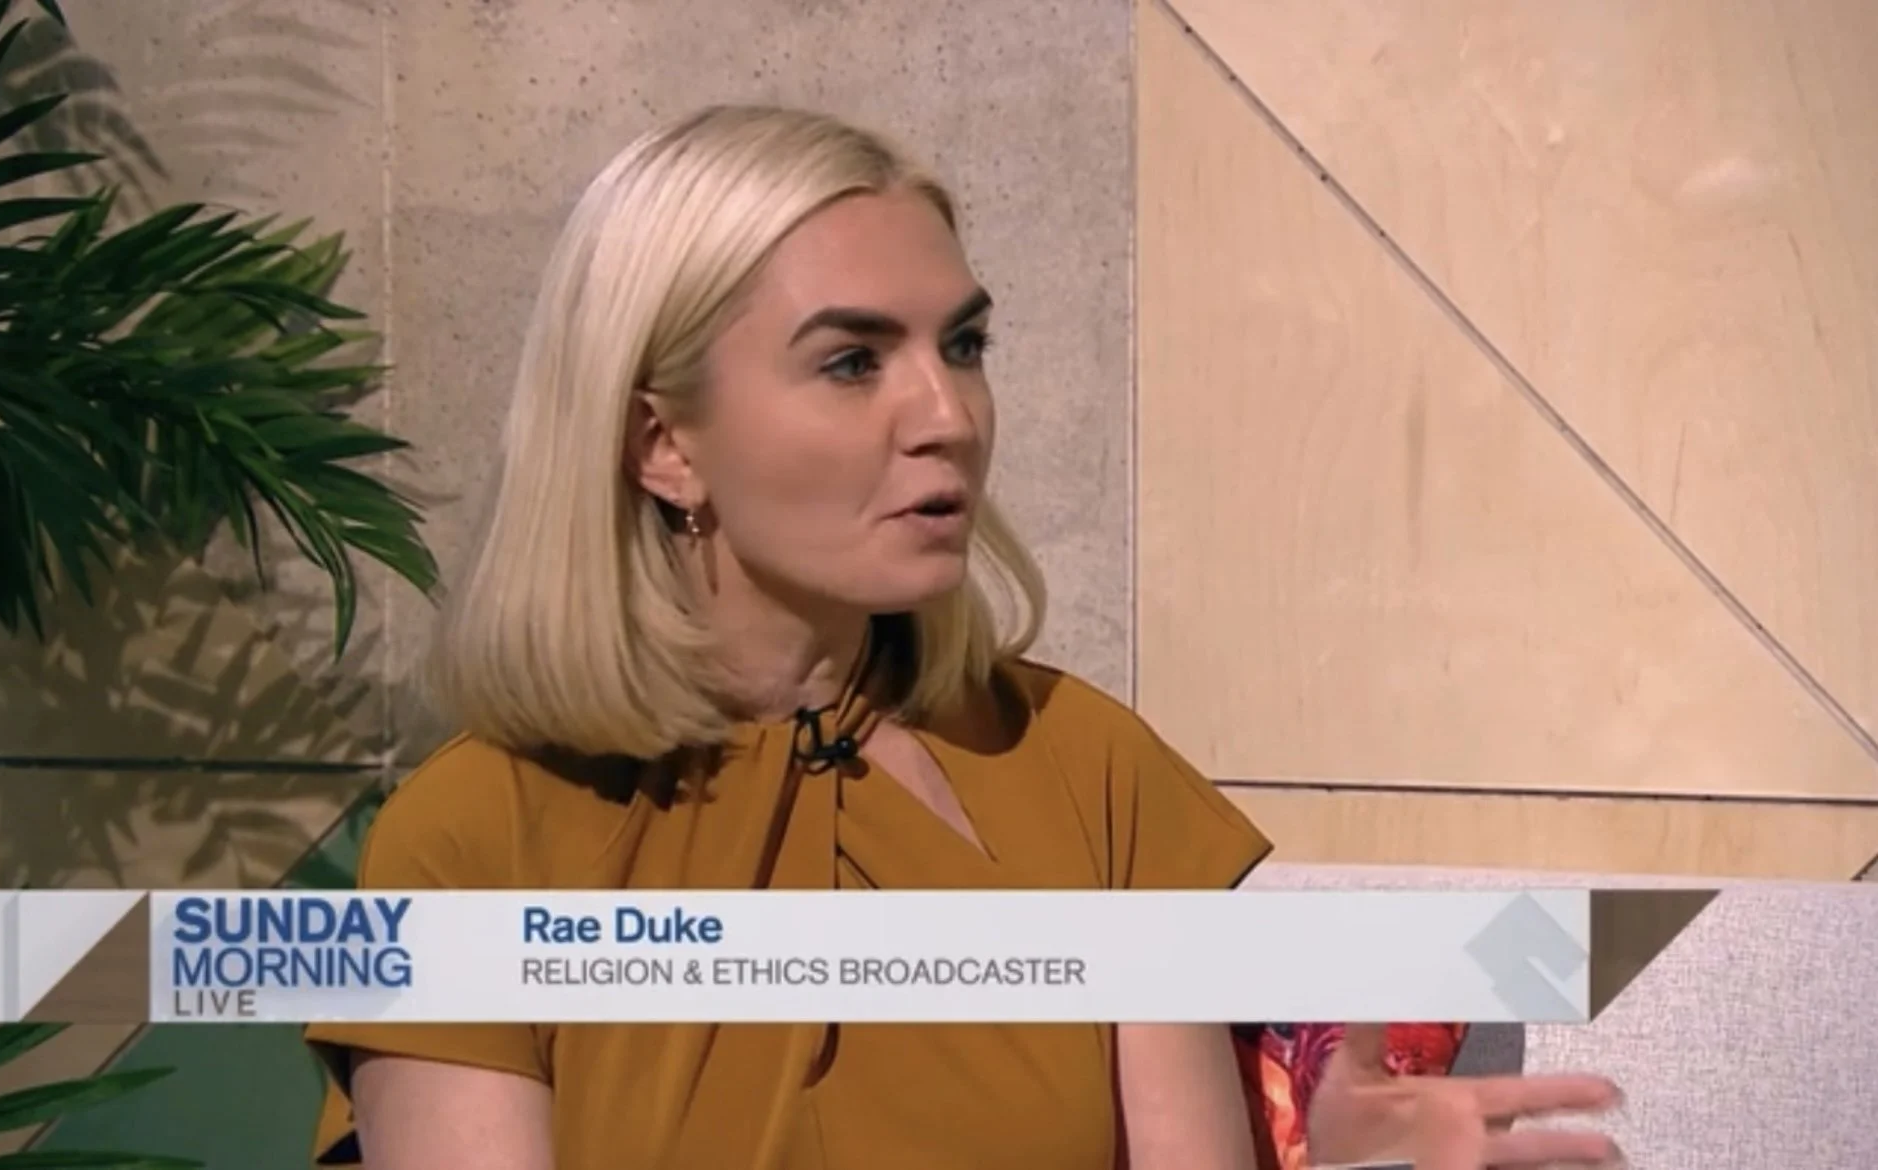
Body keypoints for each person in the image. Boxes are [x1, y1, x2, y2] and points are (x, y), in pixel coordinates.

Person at [303, 104, 1623, 1170]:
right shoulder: (471, 840)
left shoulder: (1083, 768)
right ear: (663, 445)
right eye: (851, 360)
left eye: (966, 344)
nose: (948, 416)